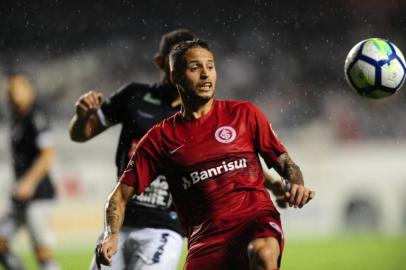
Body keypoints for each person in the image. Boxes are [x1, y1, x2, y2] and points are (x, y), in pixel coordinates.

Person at [97, 39, 315, 270]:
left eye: (210, 66)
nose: (205, 75)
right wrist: (111, 235)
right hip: (206, 239)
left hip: (254, 221)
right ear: (175, 77)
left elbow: (287, 164)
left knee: (261, 253)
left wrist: (296, 183)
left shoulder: (244, 114)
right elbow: (118, 197)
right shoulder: (160, 138)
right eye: (195, 68)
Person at [69, 29, 197, 270]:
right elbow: (80, 135)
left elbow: (230, 158)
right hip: (118, 223)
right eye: (176, 62)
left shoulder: (201, 114)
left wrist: (273, 184)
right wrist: (82, 117)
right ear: (161, 62)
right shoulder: (134, 96)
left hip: (164, 227)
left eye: (188, 63)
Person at [0, 74, 60, 270]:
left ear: (30, 92)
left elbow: (48, 154)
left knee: (43, 253)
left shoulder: (36, 117)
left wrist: (29, 182)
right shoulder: (17, 119)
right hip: (21, 196)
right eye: (10, 91)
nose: (13, 95)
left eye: (18, 90)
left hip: (38, 194)